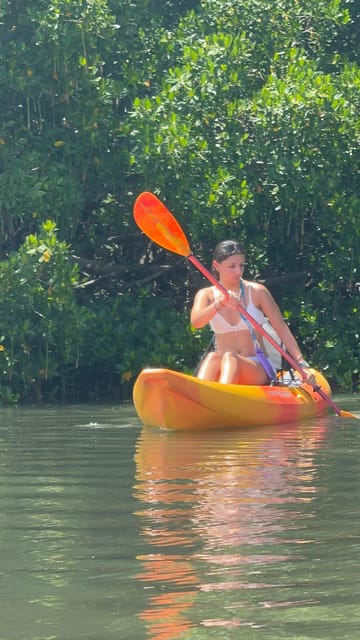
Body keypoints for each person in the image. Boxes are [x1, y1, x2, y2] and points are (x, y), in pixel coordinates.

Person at [190, 240, 315, 385]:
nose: (238, 271)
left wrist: (301, 364)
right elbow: (196, 323)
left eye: (241, 265)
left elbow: (282, 330)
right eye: (232, 266)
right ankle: (200, 397)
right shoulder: (206, 295)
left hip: (257, 366)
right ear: (216, 266)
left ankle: (223, 397)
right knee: (213, 357)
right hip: (224, 365)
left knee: (231, 357)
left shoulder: (257, 292)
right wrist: (220, 304)